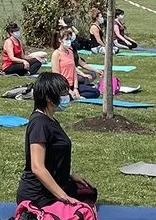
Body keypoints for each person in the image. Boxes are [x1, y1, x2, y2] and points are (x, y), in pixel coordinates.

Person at [16, 72, 97, 208]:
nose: (67, 96)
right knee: (81, 212)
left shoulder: (50, 120)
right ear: (49, 98)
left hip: (58, 185)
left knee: (89, 193)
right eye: (63, 93)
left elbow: (53, 158)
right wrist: (64, 197)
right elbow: (37, 167)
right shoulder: (39, 124)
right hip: (39, 195)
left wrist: (70, 176)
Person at [49, 27, 98, 99]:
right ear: (60, 40)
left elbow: (74, 71)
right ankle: (71, 96)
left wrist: (75, 88)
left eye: (69, 39)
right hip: (62, 86)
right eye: (66, 39)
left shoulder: (70, 52)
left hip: (72, 84)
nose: (68, 41)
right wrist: (68, 90)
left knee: (95, 92)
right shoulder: (56, 54)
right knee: (65, 96)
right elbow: (57, 76)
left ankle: (76, 96)